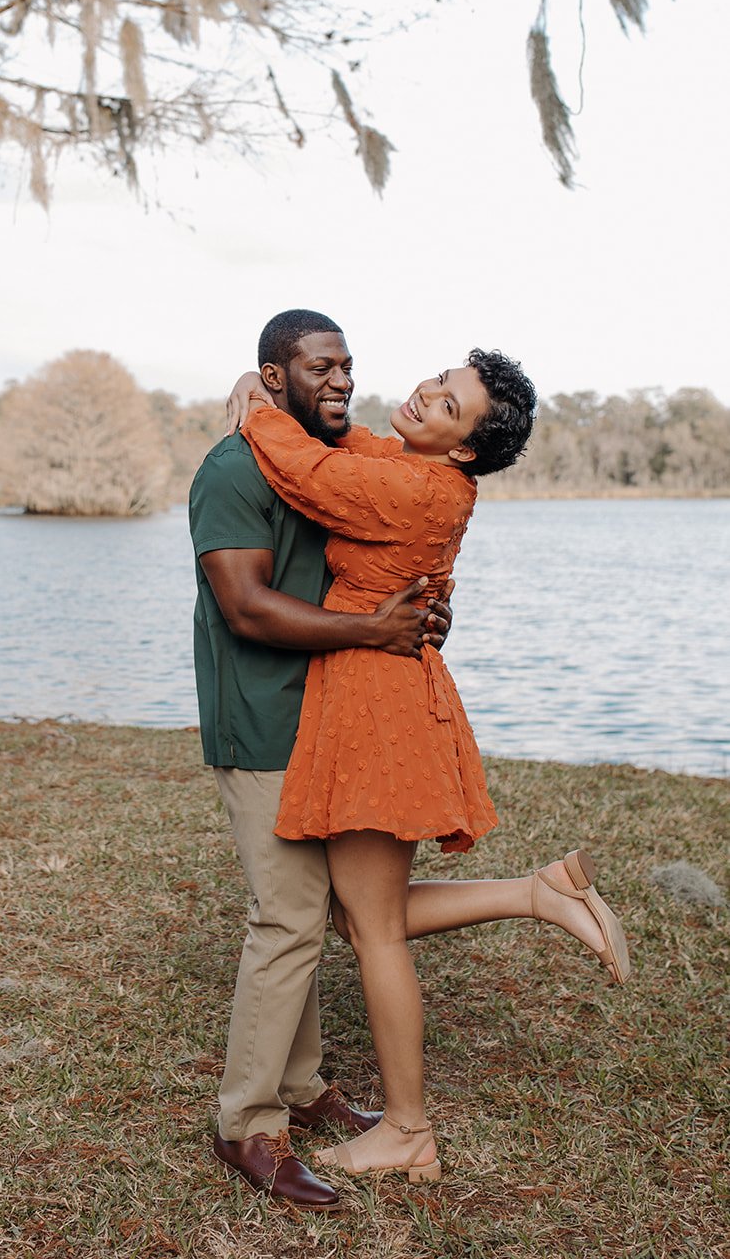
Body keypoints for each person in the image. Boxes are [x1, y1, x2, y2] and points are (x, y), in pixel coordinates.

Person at [235, 350, 630, 1185]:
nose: (422, 394)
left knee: (372, 929)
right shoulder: (417, 469)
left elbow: (308, 473)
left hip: (376, 705)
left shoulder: (418, 488)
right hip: (375, 693)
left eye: (445, 404)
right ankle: (537, 894)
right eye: (436, 380)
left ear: (460, 447)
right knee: (359, 919)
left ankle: (407, 1129)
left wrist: (255, 405)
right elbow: (357, 449)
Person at [189, 309, 454, 1212]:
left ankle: (301, 1091)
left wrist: (412, 616)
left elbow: (389, 556)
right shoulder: (231, 467)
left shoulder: (337, 465)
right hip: (261, 721)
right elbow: (248, 609)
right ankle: (249, 1124)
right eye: (317, 368)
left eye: (346, 365)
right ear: (273, 378)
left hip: (328, 719)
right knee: (289, 918)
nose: (339, 380)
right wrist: (373, 631)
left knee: (306, 913)